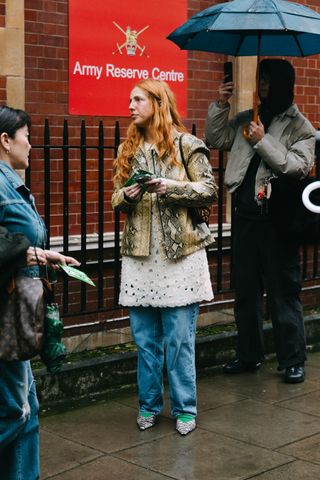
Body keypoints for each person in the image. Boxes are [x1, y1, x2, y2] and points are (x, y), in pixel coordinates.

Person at [112, 79, 217, 435]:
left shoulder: (188, 145)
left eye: (138, 99)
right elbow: (115, 200)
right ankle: (149, 405)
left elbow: (208, 190)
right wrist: (130, 193)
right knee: (145, 341)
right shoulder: (129, 148)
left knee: (179, 340)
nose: (130, 105)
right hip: (140, 257)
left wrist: (169, 187)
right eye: (130, 99)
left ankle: (185, 408)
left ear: (158, 103)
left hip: (180, 257)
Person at [205, 59, 316, 384]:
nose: (261, 84)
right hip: (245, 219)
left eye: (266, 79)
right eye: (259, 78)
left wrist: (262, 140)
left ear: (282, 82)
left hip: (277, 222)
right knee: (245, 293)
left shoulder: (301, 127)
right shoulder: (246, 118)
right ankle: (249, 354)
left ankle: (292, 359)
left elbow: (296, 167)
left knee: (283, 293)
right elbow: (216, 138)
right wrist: (220, 104)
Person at [0, 106, 80, 480]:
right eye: (26, 136)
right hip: (7, 313)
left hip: (19, 313)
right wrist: (27, 251)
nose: (31, 144)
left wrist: (42, 255)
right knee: (15, 411)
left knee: (26, 407)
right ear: (5, 140)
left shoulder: (11, 183)